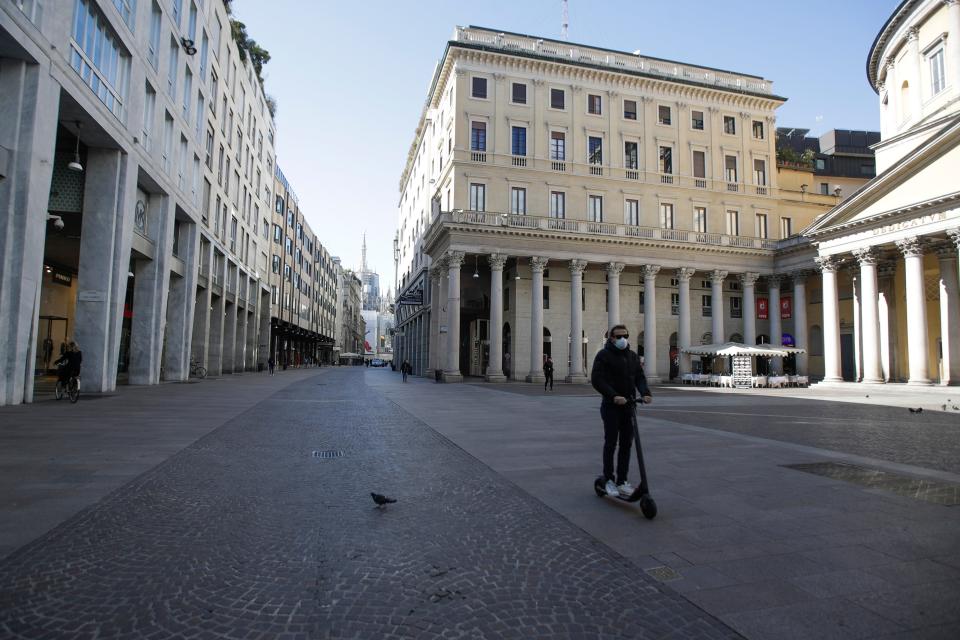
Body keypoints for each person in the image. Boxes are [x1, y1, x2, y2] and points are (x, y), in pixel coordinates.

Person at [590, 324, 652, 498]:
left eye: (625, 335)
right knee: (611, 443)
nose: (622, 339)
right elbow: (597, 379)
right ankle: (609, 479)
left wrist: (645, 392)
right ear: (611, 338)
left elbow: (639, 376)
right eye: (618, 336)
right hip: (611, 406)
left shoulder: (632, 357)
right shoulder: (604, 355)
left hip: (629, 406)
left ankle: (622, 480)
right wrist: (613, 395)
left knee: (627, 444)